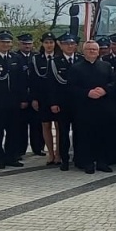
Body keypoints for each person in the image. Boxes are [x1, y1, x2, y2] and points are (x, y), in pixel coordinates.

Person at [67, 40, 116, 173]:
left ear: (98, 52)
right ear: (83, 51)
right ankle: (86, 162)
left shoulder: (106, 66)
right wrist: (87, 93)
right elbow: (71, 88)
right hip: (84, 107)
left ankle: (102, 161)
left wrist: (104, 90)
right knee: (85, 135)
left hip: (103, 107)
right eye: (89, 49)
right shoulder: (75, 68)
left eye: (94, 50)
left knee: (103, 135)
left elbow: (114, 83)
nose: (92, 51)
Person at [0, 31, 26, 167]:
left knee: (14, 131)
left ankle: (11, 157)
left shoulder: (16, 58)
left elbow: (22, 81)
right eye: (2, 42)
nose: (5, 44)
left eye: (8, 42)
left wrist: (23, 99)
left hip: (14, 102)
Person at [47, 34, 77, 170]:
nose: (69, 46)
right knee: (63, 133)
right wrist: (53, 103)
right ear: (61, 45)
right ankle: (64, 159)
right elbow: (51, 84)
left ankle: (79, 157)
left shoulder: (81, 59)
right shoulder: (55, 62)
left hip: (79, 103)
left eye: (72, 44)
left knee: (80, 132)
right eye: (66, 44)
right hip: (62, 103)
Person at [18, 33, 47, 156]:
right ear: (19, 44)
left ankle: (38, 147)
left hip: (35, 96)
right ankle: (20, 150)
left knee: (37, 125)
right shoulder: (15, 57)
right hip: (22, 97)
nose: (27, 46)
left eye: (29, 44)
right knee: (21, 127)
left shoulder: (36, 57)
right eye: (24, 44)